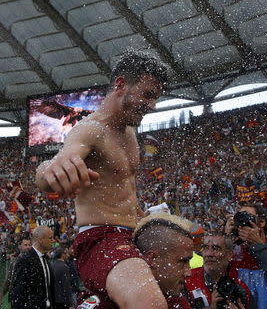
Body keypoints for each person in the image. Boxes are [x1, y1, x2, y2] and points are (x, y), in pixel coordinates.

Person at [35, 50, 169, 309]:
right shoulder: (90, 128)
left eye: (156, 97)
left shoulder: (129, 130)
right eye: (148, 94)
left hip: (131, 236)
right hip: (101, 239)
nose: (152, 105)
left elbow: (122, 190)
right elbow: (53, 170)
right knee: (149, 304)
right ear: (120, 85)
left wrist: (144, 216)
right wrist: (48, 170)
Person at [225, 204, 267, 309]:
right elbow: (214, 275)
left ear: (261, 222)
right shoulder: (231, 253)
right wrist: (226, 240)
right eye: (239, 218)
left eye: (246, 217)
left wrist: (258, 245)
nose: (242, 223)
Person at [133, 212, 194, 309]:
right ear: (152, 259)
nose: (189, 273)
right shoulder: (118, 300)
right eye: (183, 262)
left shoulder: (178, 303)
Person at [185, 231, 250, 309]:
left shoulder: (239, 288)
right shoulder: (187, 280)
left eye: (216, 248)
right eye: (206, 247)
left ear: (229, 255)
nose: (209, 254)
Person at [10, 226, 55, 309]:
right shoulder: (25, 260)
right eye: (50, 238)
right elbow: (18, 292)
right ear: (40, 240)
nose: (53, 240)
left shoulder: (46, 259)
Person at [0, 237, 32, 304]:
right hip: (16, 296)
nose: (28, 247)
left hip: (30, 297)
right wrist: (2, 294)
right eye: (25, 245)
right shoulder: (15, 261)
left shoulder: (34, 261)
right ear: (20, 246)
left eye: (29, 245)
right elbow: (8, 279)